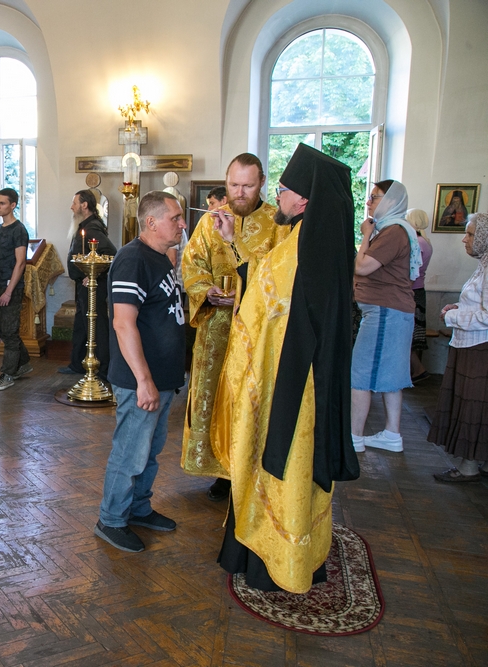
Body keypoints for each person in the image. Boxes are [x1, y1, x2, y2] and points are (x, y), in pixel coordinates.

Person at [213, 143, 359, 593]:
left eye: (283, 189)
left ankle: (273, 562)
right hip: (307, 380)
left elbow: (263, 305)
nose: (278, 196)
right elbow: (266, 279)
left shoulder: (303, 248)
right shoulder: (317, 242)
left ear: (305, 200)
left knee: (282, 465)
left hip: (288, 384)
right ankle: (299, 556)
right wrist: (234, 244)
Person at [180, 154, 287, 501]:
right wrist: (206, 291)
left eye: (248, 185)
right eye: (234, 184)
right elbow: (191, 264)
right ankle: (220, 471)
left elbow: (279, 277)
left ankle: (249, 470)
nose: (239, 193)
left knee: (248, 399)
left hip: (256, 332)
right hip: (216, 328)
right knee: (214, 397)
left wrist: (241, 291)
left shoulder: (277, 223)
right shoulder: (210, 221)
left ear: (262, 183)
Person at [94, 191, 187, 553]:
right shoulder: (133, 259)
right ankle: (111, 520)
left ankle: (138, 508)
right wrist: (144, 381)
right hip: (140, 381)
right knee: (130, 452)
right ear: (151, 222)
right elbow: (123, 323)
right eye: (175, 218)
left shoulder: (159, 257)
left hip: (161, 378)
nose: (182, 224)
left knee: (149, 451)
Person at [351, 180, 423, 454]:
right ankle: (392, 434)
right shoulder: (395, 229)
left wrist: (365, 235)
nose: (368, 201)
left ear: (392, 201)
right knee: (391, 377)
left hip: (384, 311)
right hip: (392, 311)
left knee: (359, 374)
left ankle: (354, 437)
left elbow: (362, 267)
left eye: (375, 197)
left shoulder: (392, 231)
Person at [428, 213, 488, 482]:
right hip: (471, 345)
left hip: (479, 348)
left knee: (474, 407)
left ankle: (469, 467)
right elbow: (479, 303)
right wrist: (459, 306)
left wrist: (452, 316)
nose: (465, 239)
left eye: (471, 234)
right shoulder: (484, 264)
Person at [59, 189, 117, 378]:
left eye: (74, 203)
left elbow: (111, 254)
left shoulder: (92, 228)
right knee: (82, 325)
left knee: (97, 326)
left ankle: (105, 369)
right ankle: (77, 364)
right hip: (83, 286)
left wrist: (95, 275)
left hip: (93, 287)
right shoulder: (86, 225)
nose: (71, 207)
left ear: (84, 205)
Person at [0, 188, 31, 391]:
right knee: (1, 330)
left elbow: (20, 263)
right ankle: (23, 363)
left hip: (12, 286)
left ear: (12, 205)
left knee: (9, 332)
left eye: (2, 203)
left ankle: (8, 374)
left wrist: (9, 291)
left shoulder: (19, 230)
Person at [406, 208, 434, 382]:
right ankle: (416, 370)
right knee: (410, 335)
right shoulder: (426, 242)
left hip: (411, 291)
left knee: (406, 335)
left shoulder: (416, 243)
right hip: (419, 290)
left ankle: (418, 369)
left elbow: (411, 272)